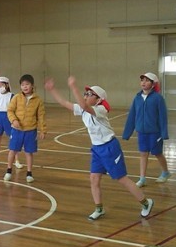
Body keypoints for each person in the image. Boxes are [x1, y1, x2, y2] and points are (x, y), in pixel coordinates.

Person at [44, 77, 154, 220]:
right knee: (94, 179)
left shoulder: (100, 110)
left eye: (90, 94)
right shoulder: (83, 110)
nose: (86, 96)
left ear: (98, 99)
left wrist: (73, 87)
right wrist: (52, 90)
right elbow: (64, 103)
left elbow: (84, 106)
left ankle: (146, 203)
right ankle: (99, 209)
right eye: (85, 93)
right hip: (96, 149)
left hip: (110, 148)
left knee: (122, 179)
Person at [122, 72, 171, 187]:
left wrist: (164, 133)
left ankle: (165, 172)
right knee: (143, 154)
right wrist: (127, 133)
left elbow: (163, 117)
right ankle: (142, 178)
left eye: (147, 80)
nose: (143, 82)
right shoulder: (137, 98)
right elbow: (132, 116)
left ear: (153, 84)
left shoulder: (158, 98)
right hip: (141, 132)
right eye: (142, 80)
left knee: (157, 153)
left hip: (155, 133)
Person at [4, 74, 46, 183]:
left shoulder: (38, 100)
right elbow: (10, 110)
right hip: (17, 130)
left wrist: (43, 130)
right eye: (22, 85)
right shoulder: (16, 97)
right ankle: (9, 170)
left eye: (27, 84)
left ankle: (29, 173)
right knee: (12, 150)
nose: (25, 87)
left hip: (30, 131)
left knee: (29, 152)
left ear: (32, 85)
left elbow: (41, 116)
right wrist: (14, 120)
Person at [0, 76, 23, 170]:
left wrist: (15, 120)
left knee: (13, 140)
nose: (0, 87)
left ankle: (17, 161)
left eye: (1, 85)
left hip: (9, 118)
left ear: (6, 85)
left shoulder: (12, 96)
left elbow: (16, 109)